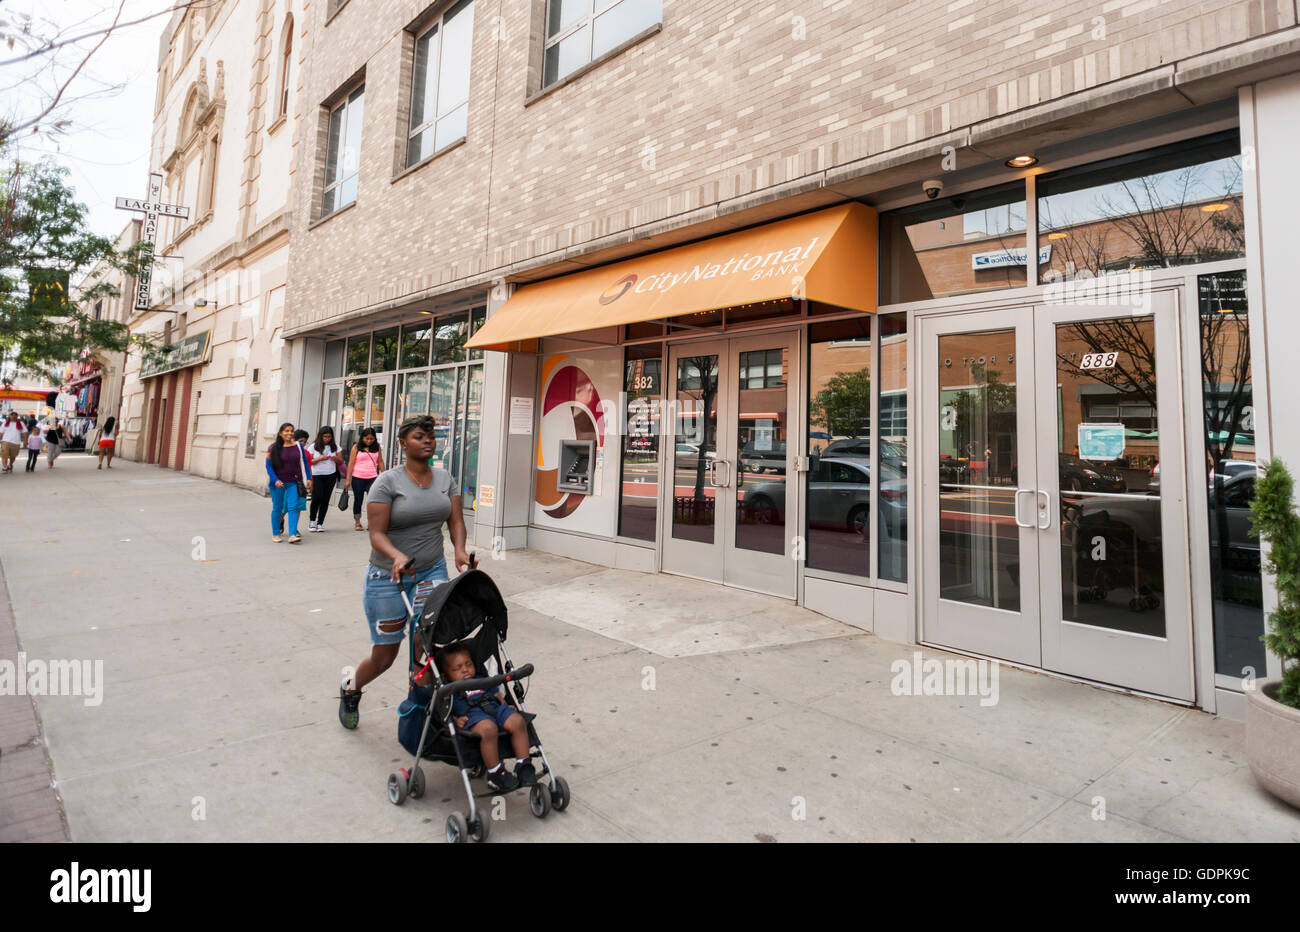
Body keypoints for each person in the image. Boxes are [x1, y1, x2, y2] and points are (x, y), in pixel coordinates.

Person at [338, 414, 471, 730]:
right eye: (419, 436)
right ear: (402, 443)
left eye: (430, 436)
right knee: (384, 656)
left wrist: (460, 550)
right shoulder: (387, 482)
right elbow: (377, 533)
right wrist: (397, 555)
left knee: (426, 644)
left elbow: (455, 521)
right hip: (388, 578)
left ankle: (419, 710)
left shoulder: (444, 479)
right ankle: (351, 689)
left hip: (432, 571)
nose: (427, 440)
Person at [438, 645, 534, 791]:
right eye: (458, 668)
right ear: (445, 676)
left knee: (518, 722)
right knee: (489, 729)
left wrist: (506, 705)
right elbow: (445, 710)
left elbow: (496, 695)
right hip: (473, 715)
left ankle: (523, 764)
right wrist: (456, 720)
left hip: (496, 709)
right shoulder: (449, 689)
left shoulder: (481, 679)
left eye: (468, 664)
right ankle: (495, 772)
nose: (465, 670)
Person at [265, 422, 309, 543]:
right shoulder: (273, 447)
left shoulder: (298, 446)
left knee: (293, 507)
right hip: (278, 483)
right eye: (287, 431)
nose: (289, 433)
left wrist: (308, 478)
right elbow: (268, 466)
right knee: (278, 508)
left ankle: (292, 535)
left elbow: (304, 463)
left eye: (291, 431)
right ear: (280, 433)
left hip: (293, 482)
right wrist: (275, 480)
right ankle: (275, 534)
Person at [343, 427, 384, 532]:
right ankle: (357, 522)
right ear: (362, 438)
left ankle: (371, 522)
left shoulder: (377, 447)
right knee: (358, 500)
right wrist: (347, 480)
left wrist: (384, 476)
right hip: (358, 478)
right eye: (367, 438)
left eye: (371, 439)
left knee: (373, 501)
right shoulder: (356, 447)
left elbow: (380, 462)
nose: (369, 441)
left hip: (373, 478)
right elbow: (351, 463)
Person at [305, 426, 343, 532]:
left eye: (329, 437)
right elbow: (309, 461)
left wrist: (335, 458)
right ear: (320, 436)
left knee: (325, 499)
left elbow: (340, 461)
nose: (327, 439)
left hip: (331, 475)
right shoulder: (313, 446)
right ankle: (312, 521)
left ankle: (320, 523)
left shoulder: (335, 447)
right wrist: (321, 458)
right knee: (317, 497)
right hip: (317, 475)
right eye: (325, 437)